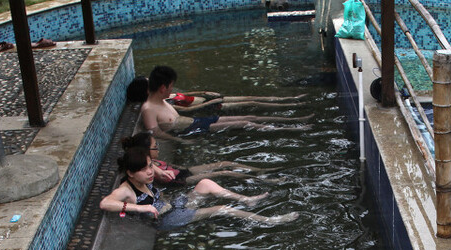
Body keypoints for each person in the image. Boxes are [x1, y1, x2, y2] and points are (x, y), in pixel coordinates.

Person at [99, 146, 296, 229]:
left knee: (205, 183)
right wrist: (140, 208)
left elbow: (150, 168)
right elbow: (105, 203)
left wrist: (159, 172)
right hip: (166, 220)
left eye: (150, 166)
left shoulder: (145, 175)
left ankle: (247, 200)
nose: (150, 172)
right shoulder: (126, 190)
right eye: (144, 170)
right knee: (220, 209)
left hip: (173, 205)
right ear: (131, 173)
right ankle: (270, 221)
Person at [137, 66, 306, 140]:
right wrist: (183, 141)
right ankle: (289, 129)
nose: (172, 89)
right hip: (195, 129)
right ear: (162, 88)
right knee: (245, 123)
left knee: (250, 117)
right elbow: (156, 133)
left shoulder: (164, 100)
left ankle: (293, 120)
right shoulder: (149, 109)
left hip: (198, 122)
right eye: (171, 86)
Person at [121, 131, 266, 186]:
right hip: (182, 180)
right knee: (225, 172)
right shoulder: (149, 166)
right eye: (155, 146)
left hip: (185, 171)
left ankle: (259, 171)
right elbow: (158, 172)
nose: (158, 149)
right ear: (146, 151)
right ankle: (263, 180)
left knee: (225, 163)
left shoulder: (152, 162)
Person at [126, 75, 306, 113]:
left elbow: (185, 94)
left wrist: (203, 93)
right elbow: (188, 111)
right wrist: (209, 104)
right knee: (252, 104)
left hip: (209, 99)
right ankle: (286, 106)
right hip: (212, 106)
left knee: (250, 97)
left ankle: (288, 99)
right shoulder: (164, 103)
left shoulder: (164, 95)